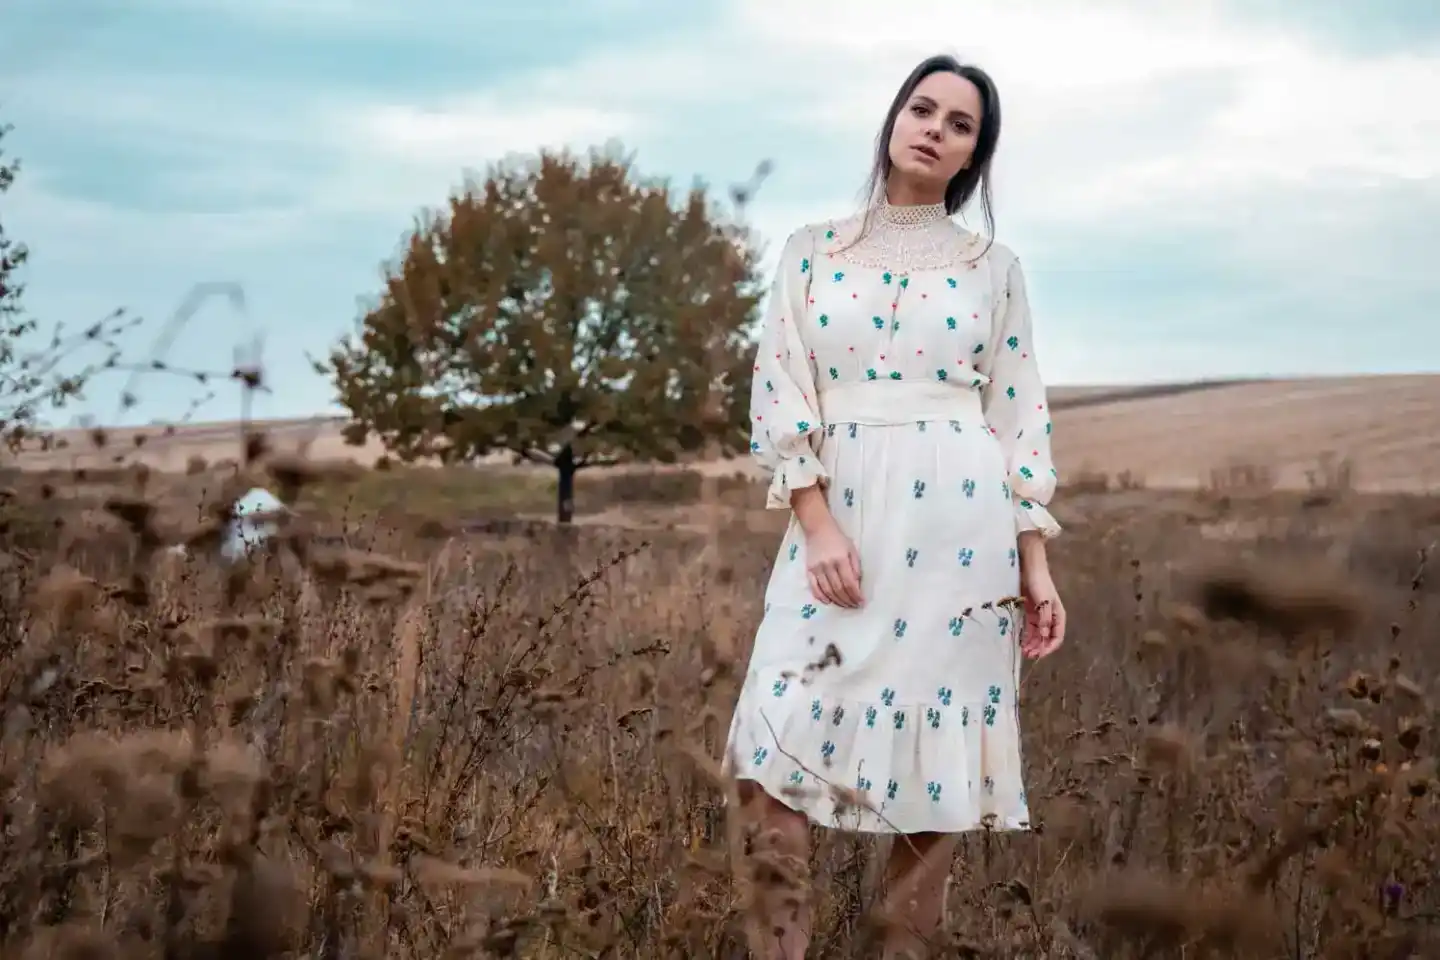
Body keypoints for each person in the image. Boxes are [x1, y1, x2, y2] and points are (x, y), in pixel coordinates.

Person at [723, 54, 1068, 959]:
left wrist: (1035, 565)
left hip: (962, 533)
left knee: (938, 782)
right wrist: (815, 519)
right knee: (772, 750)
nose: (935, 129)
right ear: (892, 119)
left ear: (972, 159)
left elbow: (1017, 415)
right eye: (923, 108)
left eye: (961, 126)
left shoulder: (994, 268)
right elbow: (779, 388)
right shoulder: (811, 250)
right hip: (837, 521)